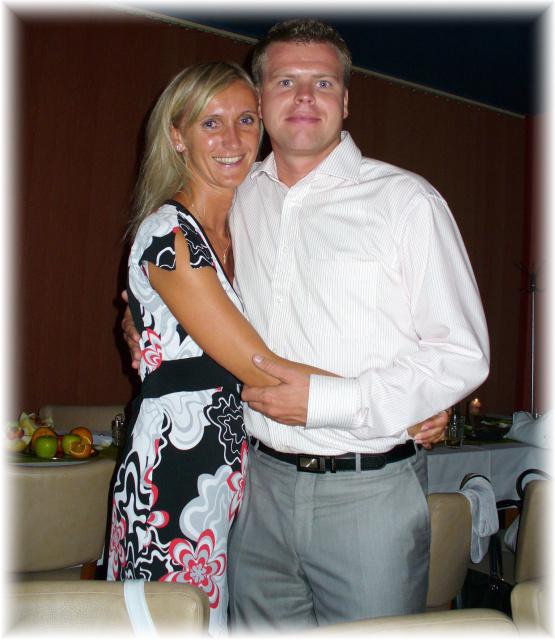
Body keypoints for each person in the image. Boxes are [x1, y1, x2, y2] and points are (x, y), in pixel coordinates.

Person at [121, 19, 482, 632]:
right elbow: (176, 273)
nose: (306, 96)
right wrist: (143, 320)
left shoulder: (406, 202)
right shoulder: (239, 197)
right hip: (253, 490)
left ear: (347, 99)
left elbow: (461, 355)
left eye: (324, 82)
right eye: (286, 81)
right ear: (263, 100)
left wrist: (390, 402)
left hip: (368, 491)